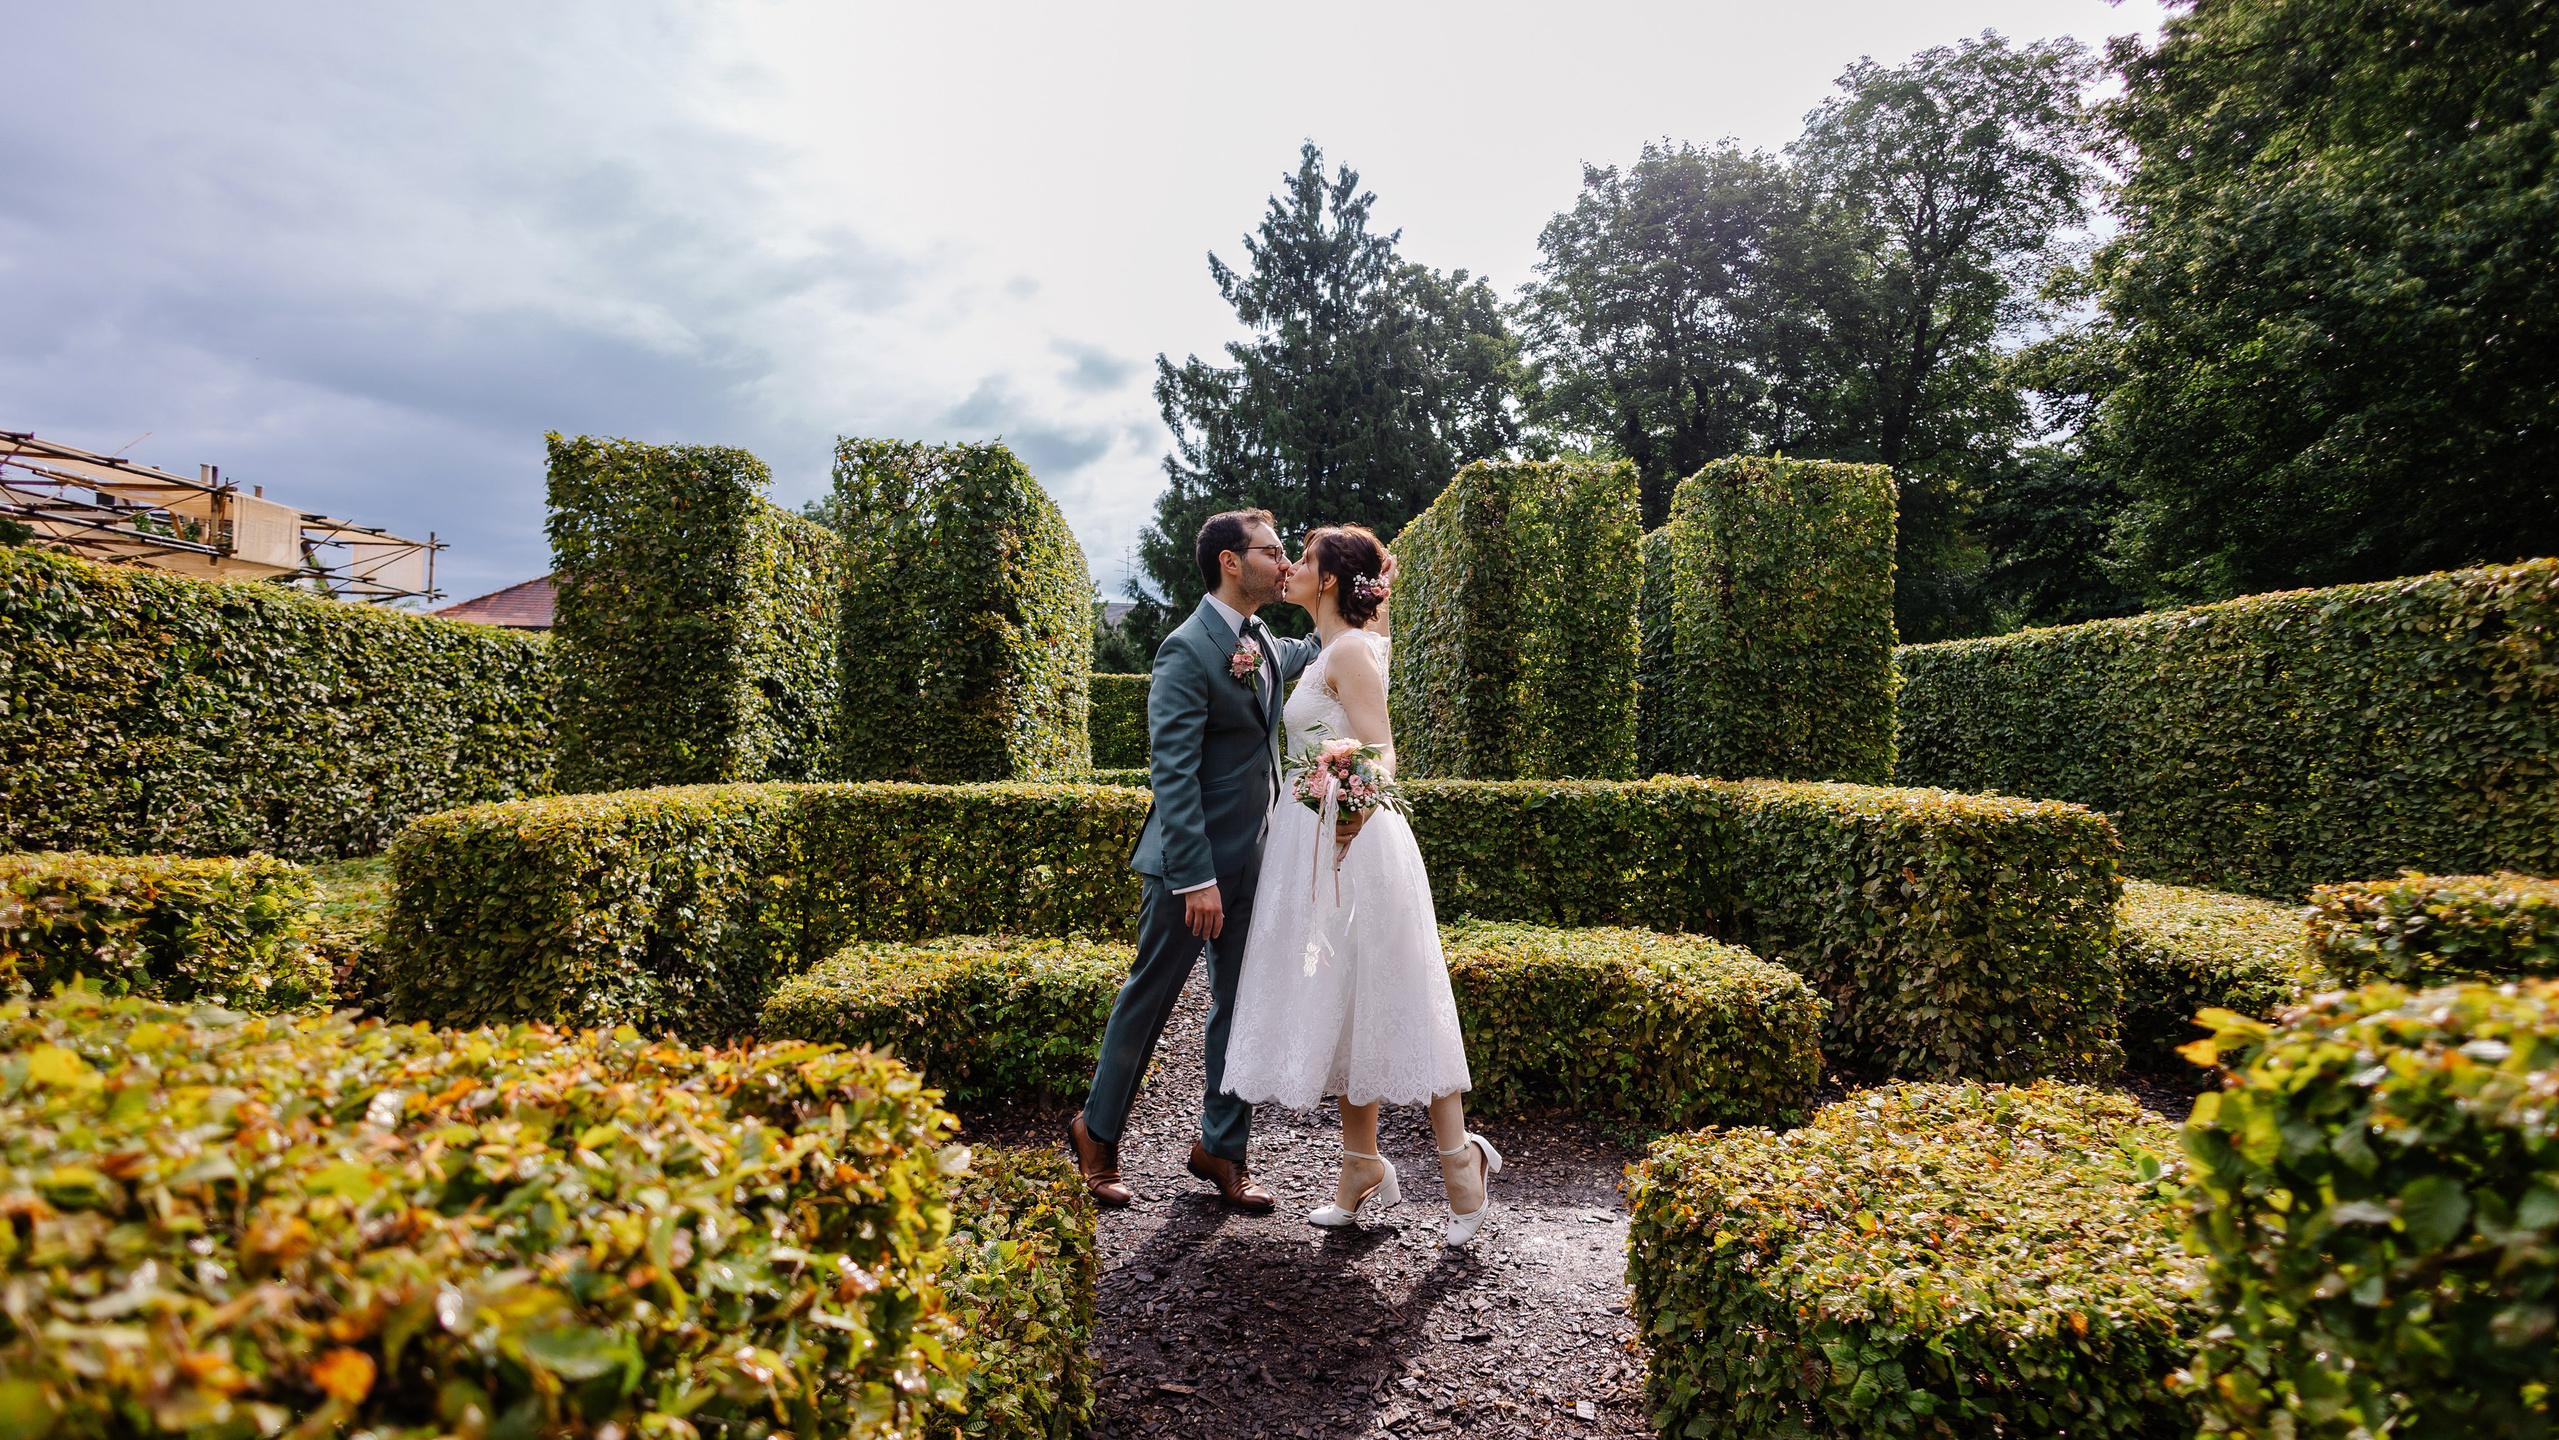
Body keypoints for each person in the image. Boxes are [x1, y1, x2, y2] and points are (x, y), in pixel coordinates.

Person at [1066, 509, 1379, 1212]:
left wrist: (1364, 585)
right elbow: (1172, 774)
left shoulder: (1261, 639)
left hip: (1257, 863)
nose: (1284, 563)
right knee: (1150, 998)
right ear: (1231, 563)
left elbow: (1322, 647)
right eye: (1272, 552)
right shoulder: (1185, 648)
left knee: (1240, 1005)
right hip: (1190, 870)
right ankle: (1097, 1132)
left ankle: (1222, 1150)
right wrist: (1195, 878)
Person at [1218, 524, 1502, 1246]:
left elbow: (1382, 751)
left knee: (1400, 995)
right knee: (1342, 999)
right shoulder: (1339, 646)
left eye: (1305, 558)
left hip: (1354, 841)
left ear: (1330, 581)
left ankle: (1461, 1165)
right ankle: (1361, 1167)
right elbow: (1371, 655)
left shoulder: (1347, 651)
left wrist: (1346, 813)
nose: (1290, 566)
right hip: (1314, 838)